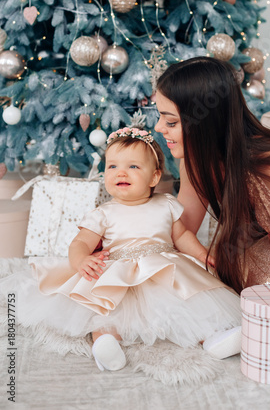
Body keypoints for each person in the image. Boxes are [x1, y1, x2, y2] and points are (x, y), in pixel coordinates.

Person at [10, 127, 241, 372]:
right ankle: (105, 344)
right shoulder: (103, 213)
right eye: (112, 166)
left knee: (191, 302)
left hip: (162, 269)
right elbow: (80, 243)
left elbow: (182, 236)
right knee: (106, 309)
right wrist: (81, 261)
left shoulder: (167, 204)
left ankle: (213, 339)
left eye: (133, 166)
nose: (121, 172)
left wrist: (202, 254)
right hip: (119, 274)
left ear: (154, 177)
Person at [154, 56, 270, 332]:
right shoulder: (195, 161)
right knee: (232, 278)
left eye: (170, 121)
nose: (158, 128)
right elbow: (181, 229)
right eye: (159, 117)